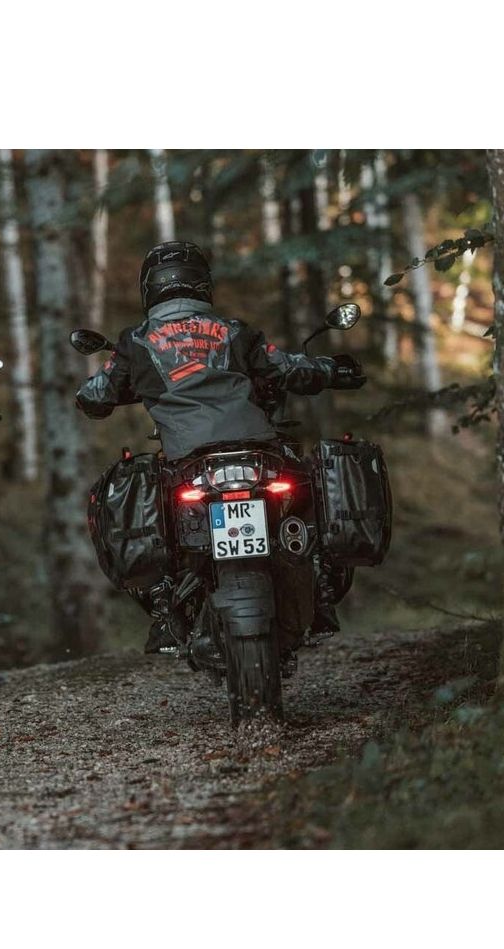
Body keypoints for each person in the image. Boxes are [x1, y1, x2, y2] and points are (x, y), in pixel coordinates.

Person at [75, 241, 365, 652]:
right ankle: (319, 592)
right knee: (305, 492)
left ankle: (164, 606)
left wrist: (117, 389)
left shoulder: (136, 341)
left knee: (157, 508)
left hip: (187, 457)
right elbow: (284, 367)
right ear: (202, 284)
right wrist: (331, 369)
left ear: (149, 289)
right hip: (256, 447)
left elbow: (95, 395)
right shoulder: (235, 332)